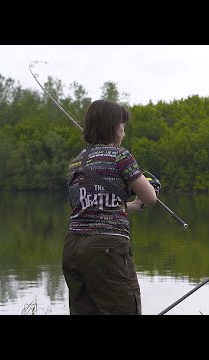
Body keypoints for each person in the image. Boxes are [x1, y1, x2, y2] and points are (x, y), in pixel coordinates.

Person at [62, 99, 158, 315]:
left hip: (73, 248)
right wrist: (152, 189)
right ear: (113, 127)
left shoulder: (76, 163)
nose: (124, 133)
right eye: (122, 127)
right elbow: (150, 197)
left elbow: (97, 207)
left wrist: (135, 205)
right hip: (106, 248)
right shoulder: (120, 156)